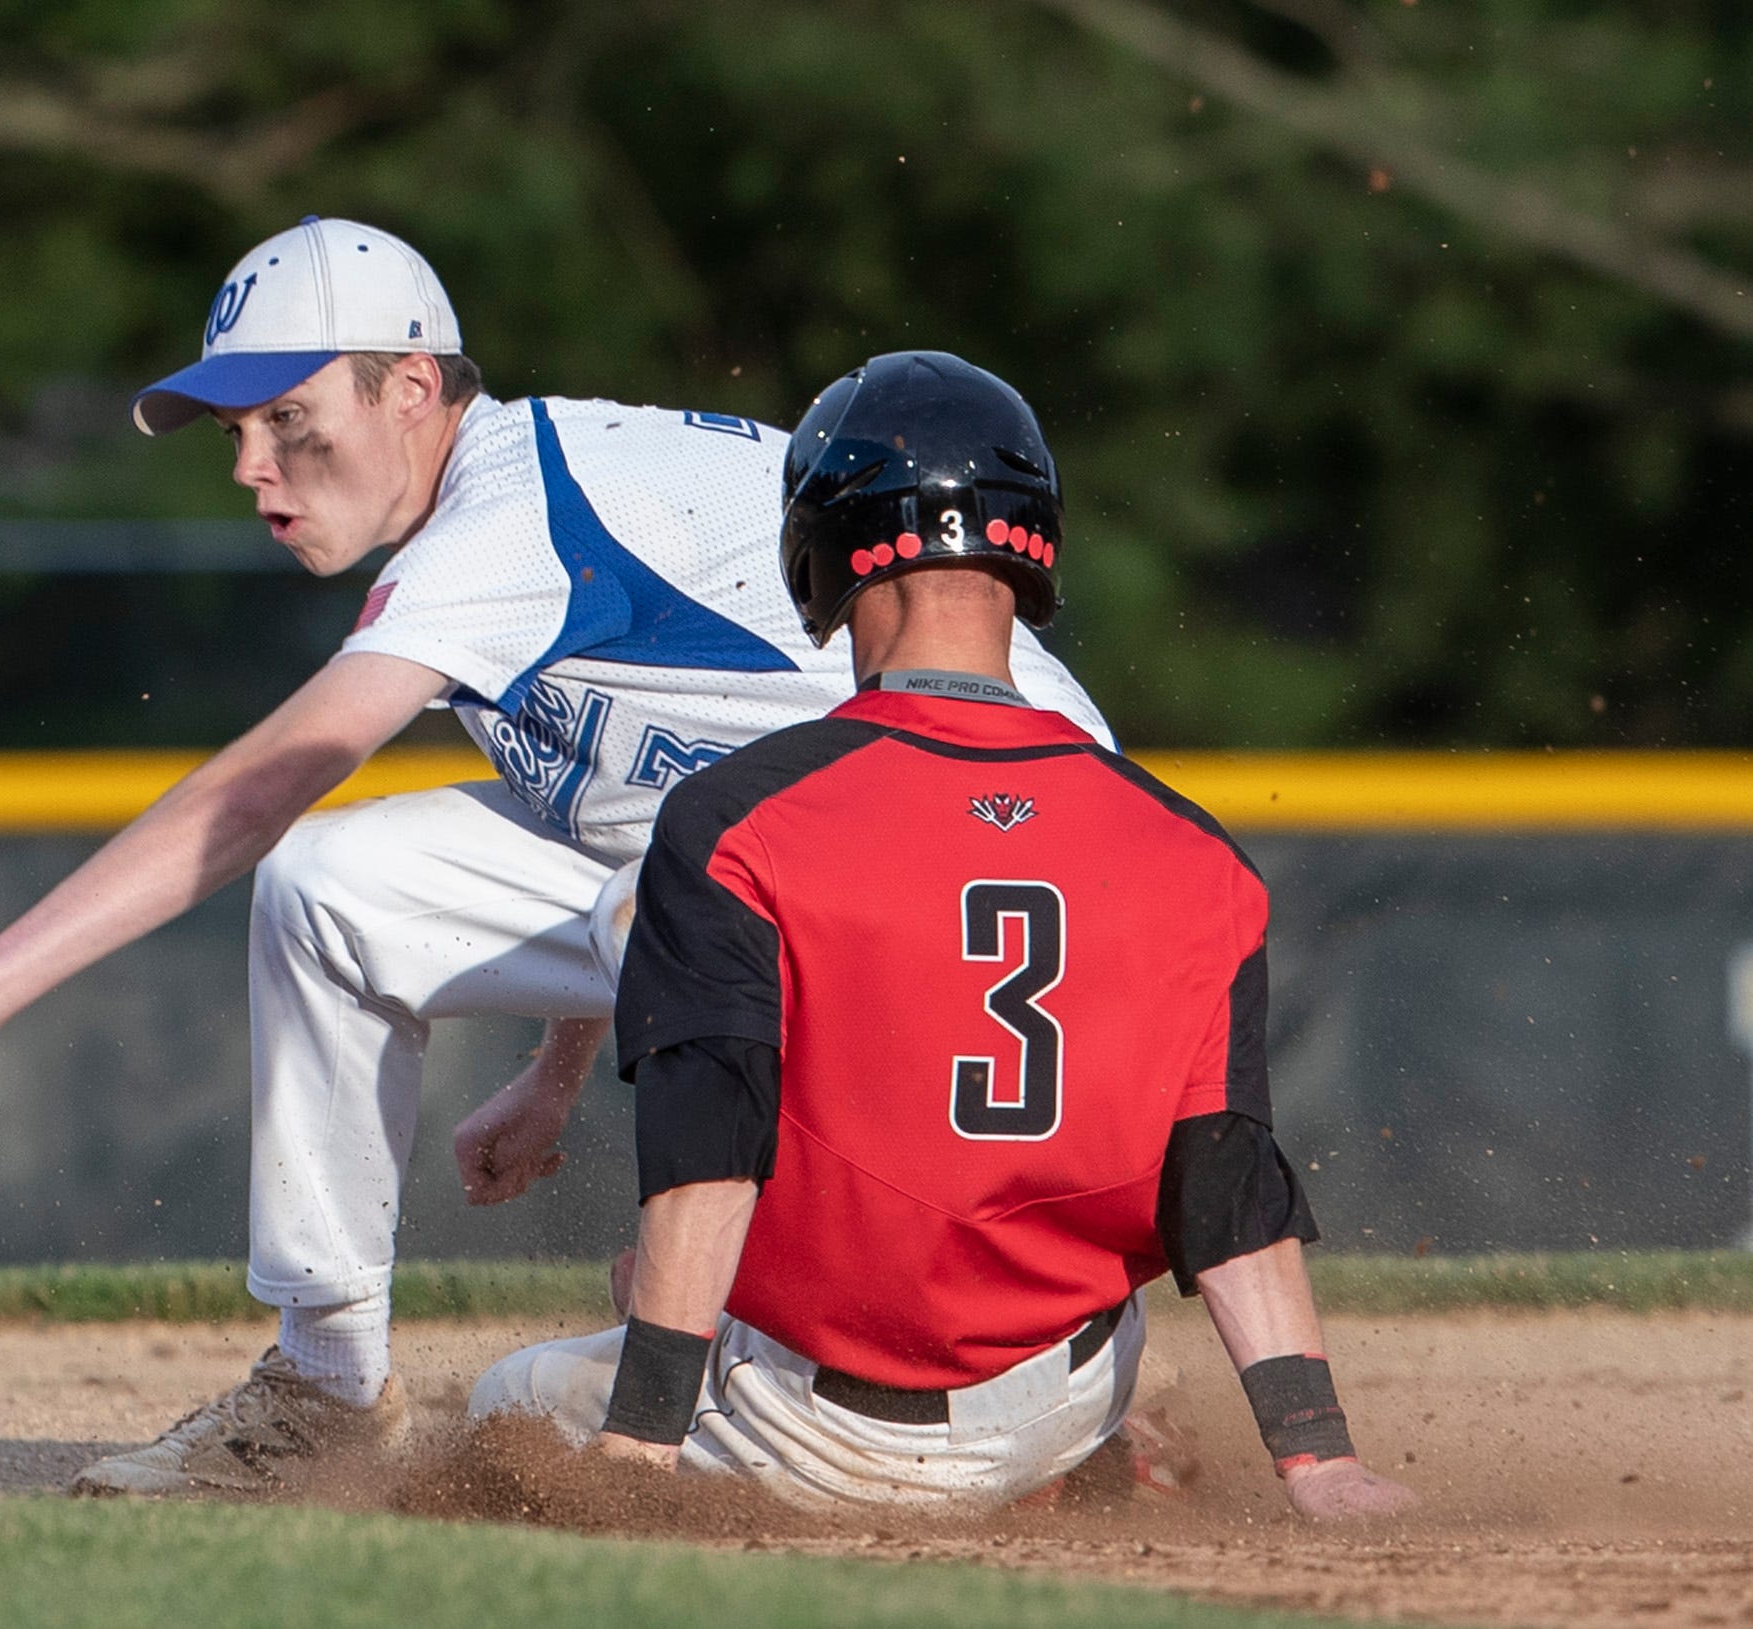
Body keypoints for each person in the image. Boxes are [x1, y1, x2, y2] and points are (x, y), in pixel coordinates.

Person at [0, 220, 1115, 1495]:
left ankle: (1026, 1356)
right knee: (328, 892)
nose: (250, 463)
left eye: (287, 418)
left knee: (350, 861)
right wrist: (553, 1074)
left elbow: (261, 787)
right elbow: (644, 801)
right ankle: (322, 1385)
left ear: (409, 389)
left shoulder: (504, 527)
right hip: (884, 874)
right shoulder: (521, 508)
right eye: (233, 430)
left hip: (1017, 857)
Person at [469, 351, 1415, 1521]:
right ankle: (1081, 1453)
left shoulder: (736, 820)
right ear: (1033, 550)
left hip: (821, 1438)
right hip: (1071, 1393)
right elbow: (1224, 1181)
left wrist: (636, 1455)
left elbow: (708, 1151)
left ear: (817, 553)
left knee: (505, 1402)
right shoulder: (1192, 849)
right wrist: (1319, 1461)